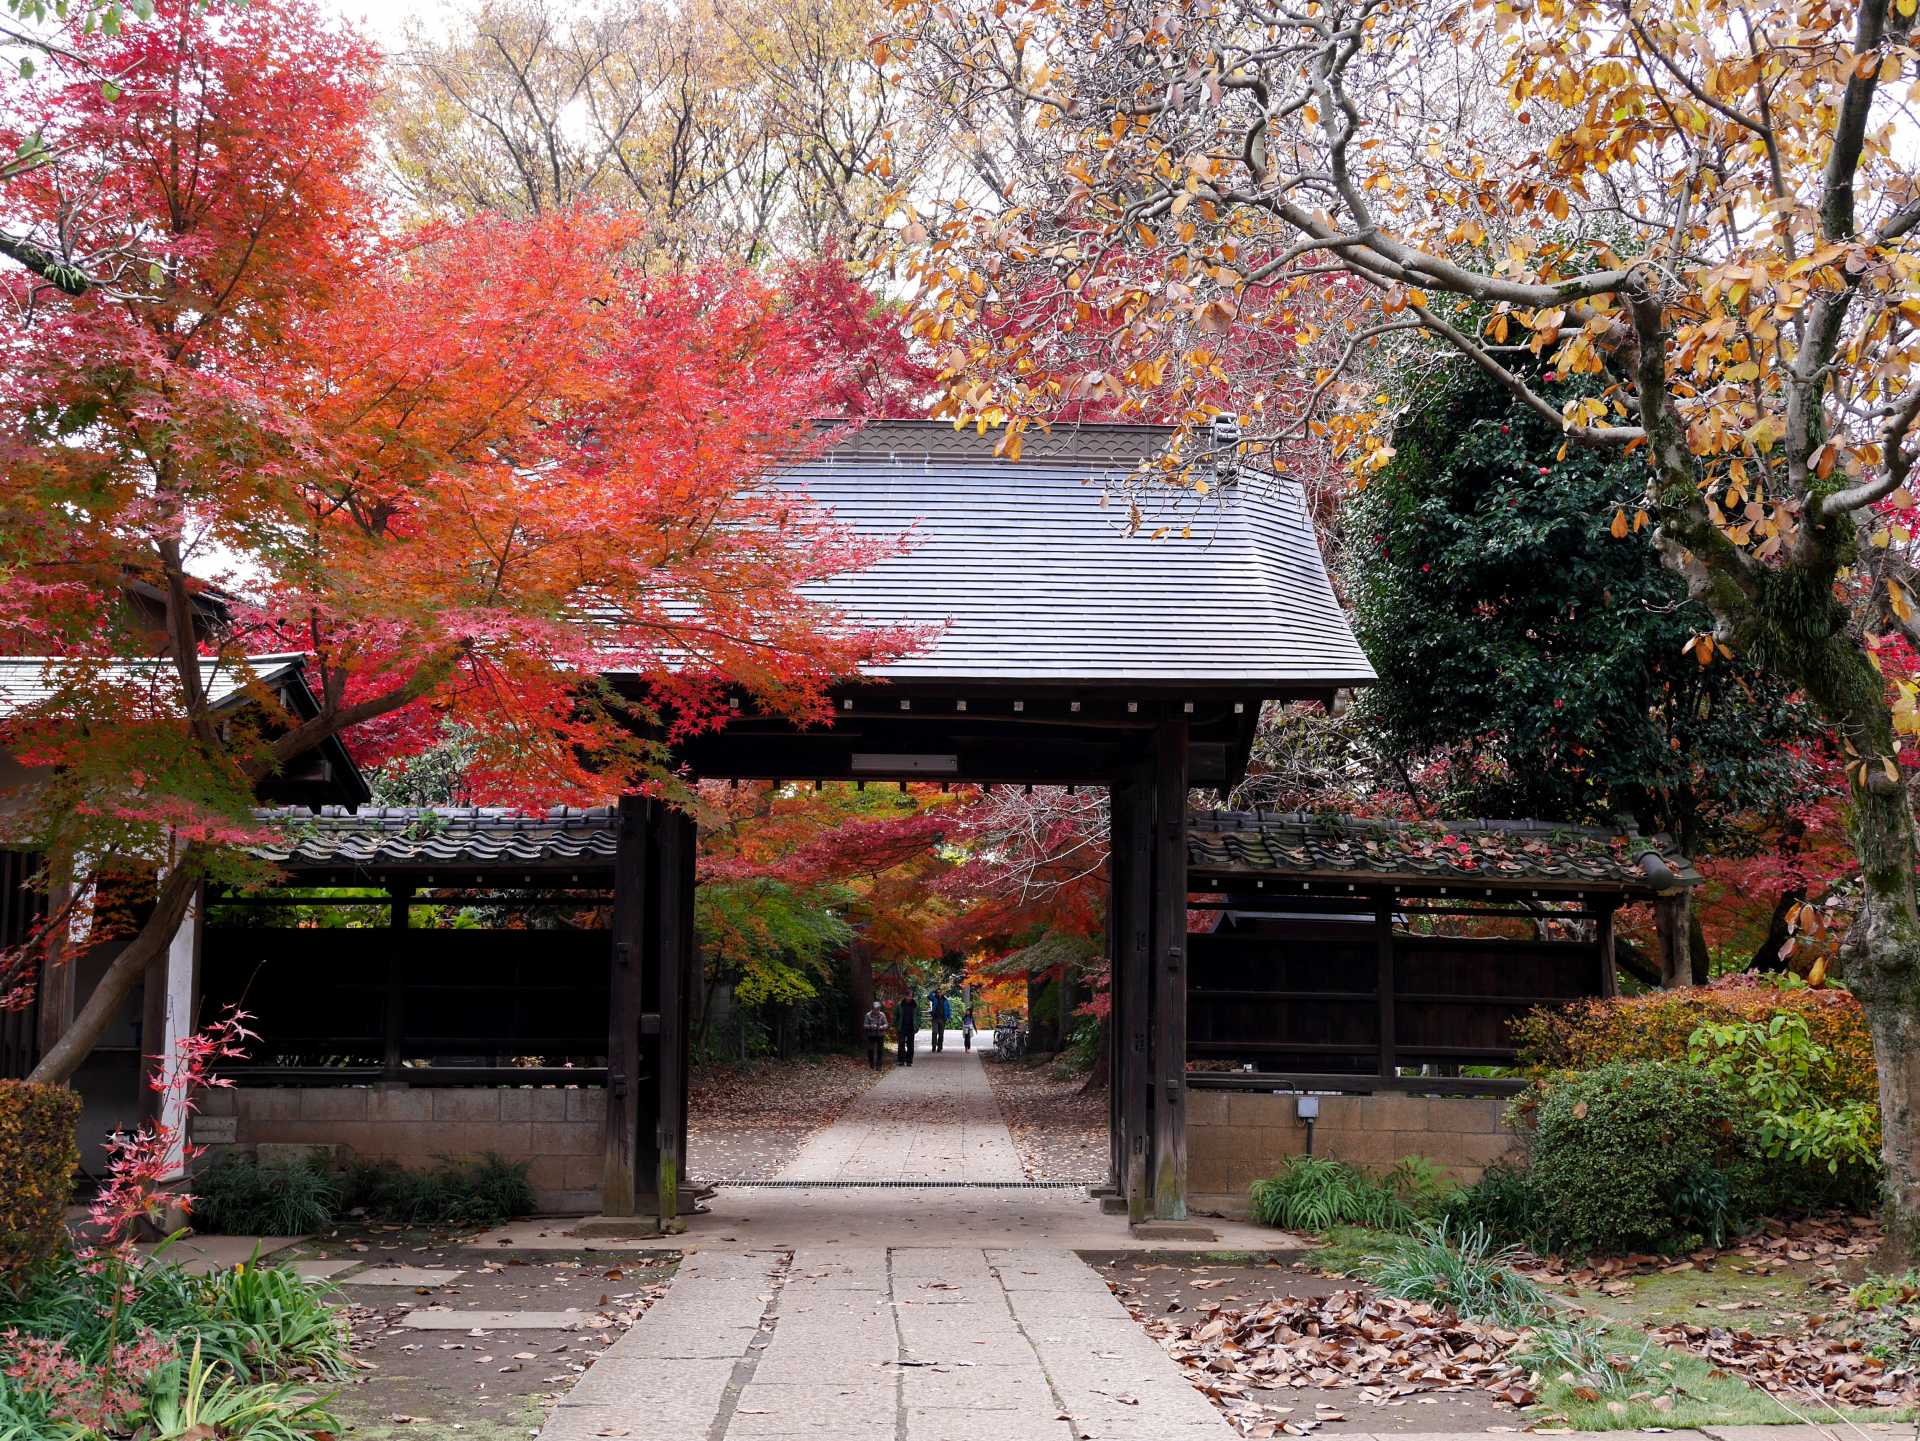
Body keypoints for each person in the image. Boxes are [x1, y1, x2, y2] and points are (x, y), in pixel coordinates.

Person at [862, 1000, 890, 1071]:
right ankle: (871, 1063)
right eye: (875, 1009)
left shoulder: (882, 1015)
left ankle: (879, 1066)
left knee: (880, 1050)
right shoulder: (868, 1015)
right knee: (870, 1050)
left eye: (878, 1009)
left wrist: (881, 1027)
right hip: (871, 1035)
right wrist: (871, 1026)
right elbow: (864, 1025)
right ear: (872, 1009)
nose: (877, 1011)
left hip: (880, 1034)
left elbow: (886, 1024)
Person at [895, 991, 919, 1067]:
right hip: (902, 1027)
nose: (909, 998)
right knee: (901, 1044)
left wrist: (917, 1025)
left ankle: (909, 1061)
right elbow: (896, 1016)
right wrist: (896, 1026)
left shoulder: (915, 1005)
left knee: (910, 1045)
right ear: (905, 996)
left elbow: (918, 1016)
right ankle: (901, 1060)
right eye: (908, 996)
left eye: (910, 996)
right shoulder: (900, 1005)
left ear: (912, 997)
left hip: (911, 1027)